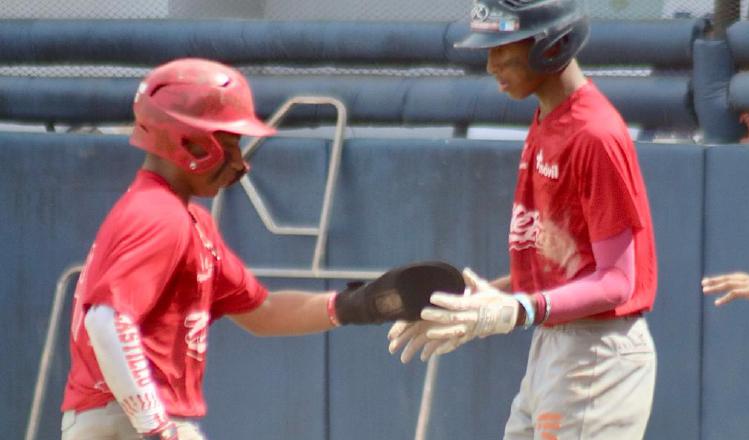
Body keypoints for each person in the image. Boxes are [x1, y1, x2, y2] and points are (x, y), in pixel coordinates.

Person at [59, 58, 464, 440]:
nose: (239, 162)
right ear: (189, 142)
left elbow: (263, 313)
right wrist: (155, 426)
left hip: (127, 417)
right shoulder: (157, 215)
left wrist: (353, 305)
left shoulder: (187, 220)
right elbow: (107, 322)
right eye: (229, 142)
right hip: (124, 418)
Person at [388, 0, 659, 438]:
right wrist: (475, 303)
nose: (491, 62)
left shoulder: (594, 133)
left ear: (550, 44)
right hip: (555, 346)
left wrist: (518, 309)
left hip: (595, 354)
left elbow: (616, 281)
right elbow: (573, 265)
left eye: (503, 47)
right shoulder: (547, 119)